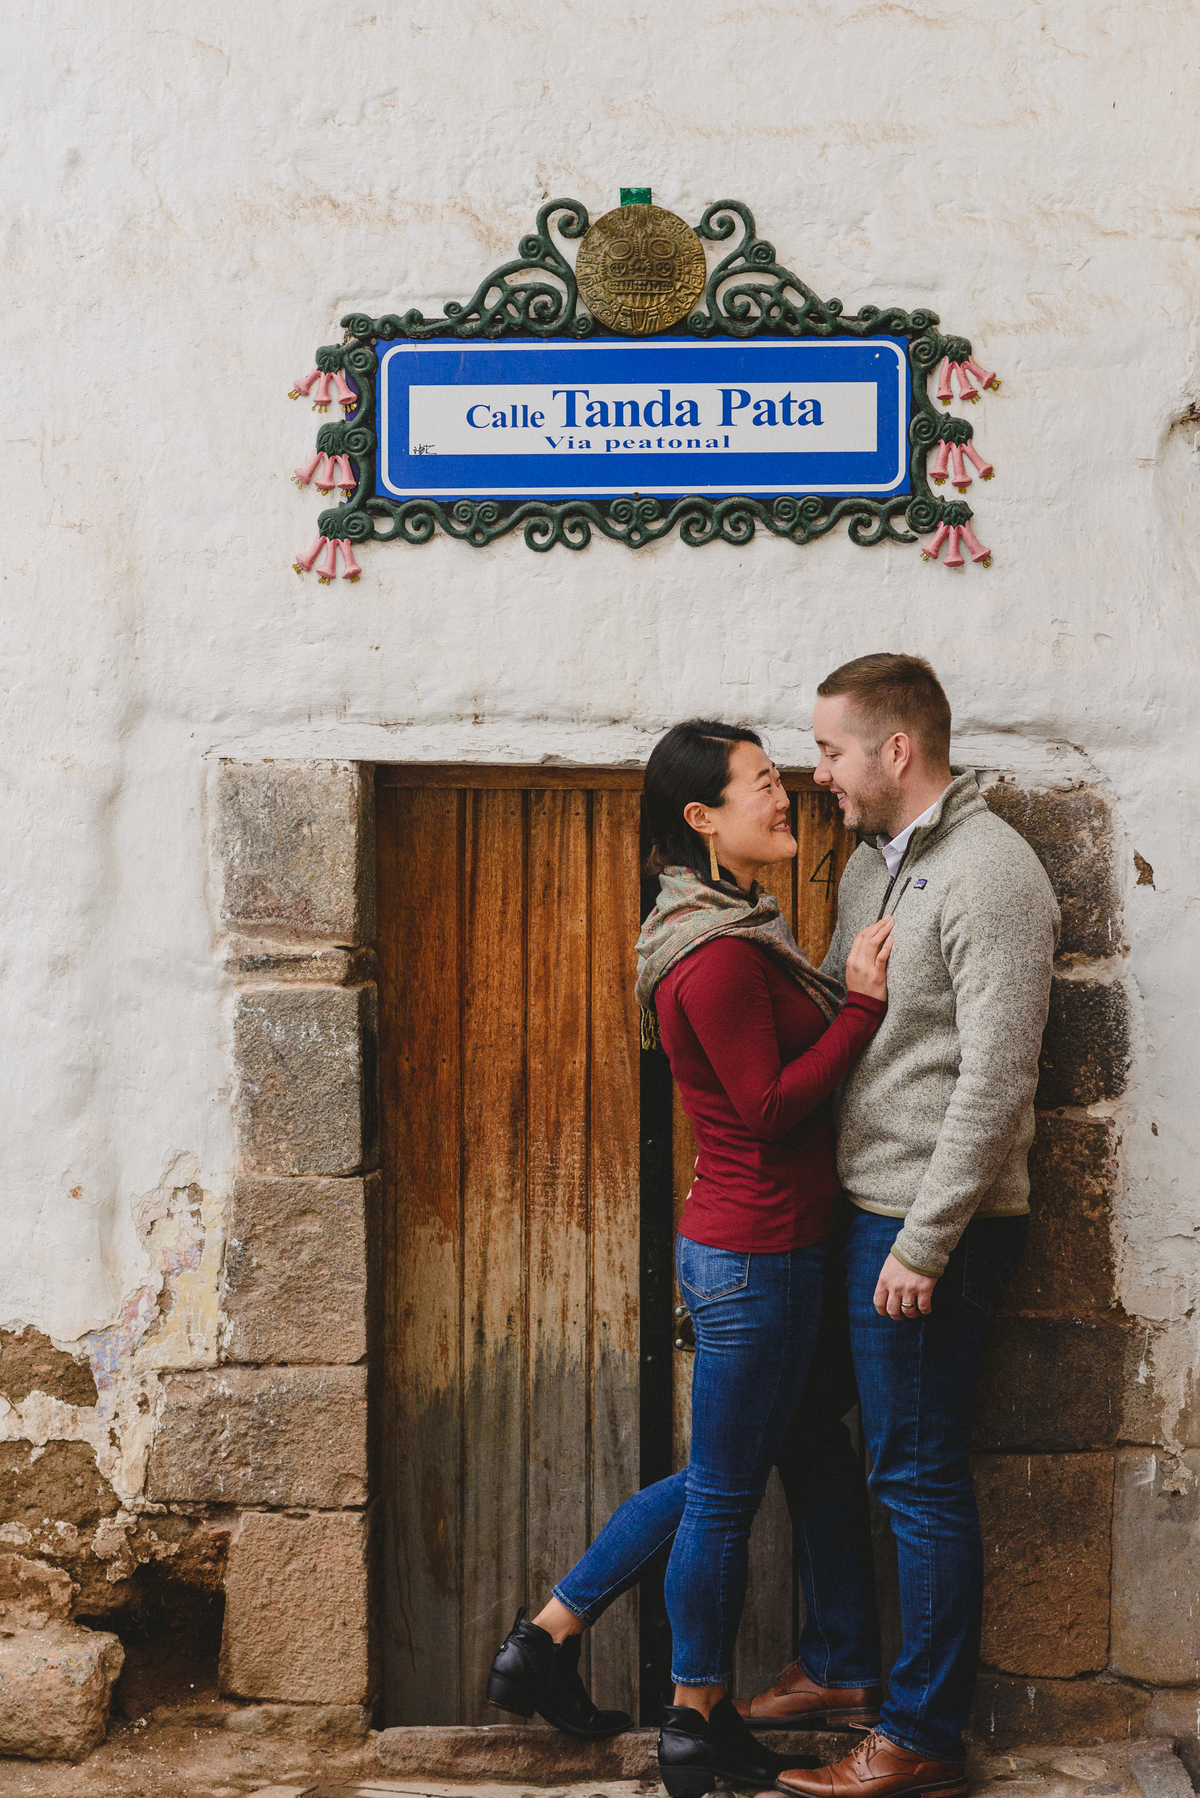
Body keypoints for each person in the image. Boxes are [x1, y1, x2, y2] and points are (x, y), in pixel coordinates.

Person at [486, 719, 894, 1798]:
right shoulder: (713, 954)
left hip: (769, 1247)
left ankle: (557, 1638)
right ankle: (693, 1715)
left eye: (781, 780)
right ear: (701, 818)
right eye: (762, 784)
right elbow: (764, 1107)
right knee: (719, 1491)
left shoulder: (739, 923)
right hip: (757, 1255)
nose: (785, 796)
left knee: (748, 1464)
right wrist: (860, 1006)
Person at [737, 655, 1059, 1798]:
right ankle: (837, 1662)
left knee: (916, 1474)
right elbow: (846, 1004)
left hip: (928, 1226)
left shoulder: (990, 878)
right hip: (857, 1209)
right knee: (800, 1420)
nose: (814, 772)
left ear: (896, 752)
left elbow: (996, 1083)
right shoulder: (886, 867)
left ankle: (918, 1732)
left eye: (829, 751)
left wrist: (924, 1244)